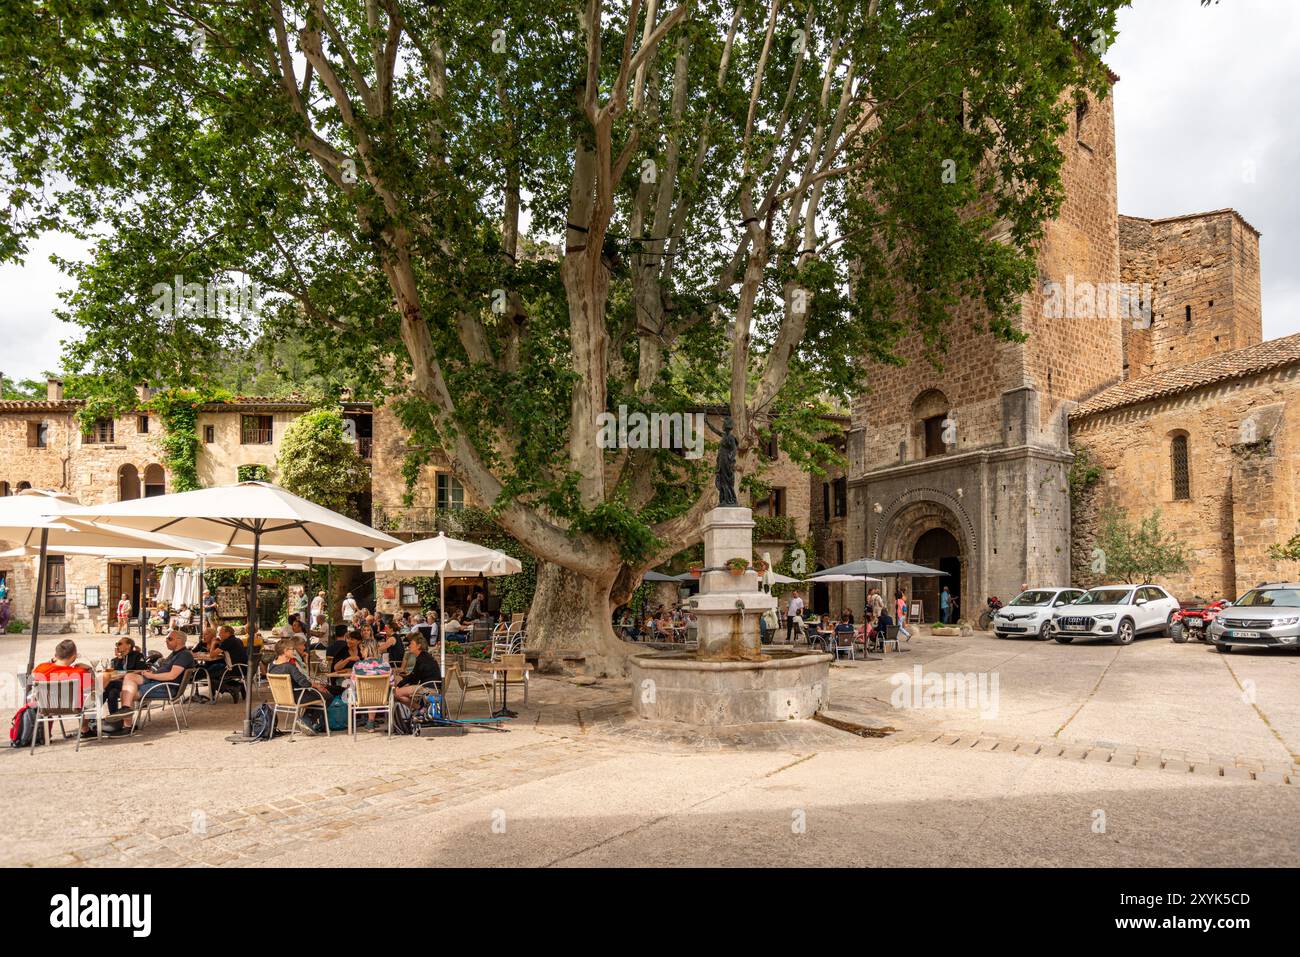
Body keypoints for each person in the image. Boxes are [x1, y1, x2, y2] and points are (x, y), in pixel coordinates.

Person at [116, 630, 196, 732]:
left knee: (126, 693)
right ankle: (126, 710)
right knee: (129, 677)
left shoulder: (184, 655)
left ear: (179, 640)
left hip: (166, 687)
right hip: (157, 682)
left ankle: (127, 725)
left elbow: (172, 676)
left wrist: (151, 676)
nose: (166, 641)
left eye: (169, 639)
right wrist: (151, 673)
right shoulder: (175, 654)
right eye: (166, 638)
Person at [30, 639, 95, 735]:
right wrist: (89, 669)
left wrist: (52, 661)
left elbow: (32, 674)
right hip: (74, 708)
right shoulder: (79, 672)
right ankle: (84, 728)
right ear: (74, 656)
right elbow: (94, 687)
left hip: (47, 708)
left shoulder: (41, 668)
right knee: (92, 697)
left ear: (56, 655)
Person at [267, 637, 331, 735]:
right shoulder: (289, 666)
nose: (294, 651)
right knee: (327, 696)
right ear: (285, 651)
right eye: (292, 649)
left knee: (316, 695)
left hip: (281, 698)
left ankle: (307, 720)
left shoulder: (271, 666)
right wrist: (317, 686)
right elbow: (304, 682)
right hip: (296, 697)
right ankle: (307, 719)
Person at [394, 633, 441, 708]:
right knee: (399, 692)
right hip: (432, 686)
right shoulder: (424, 656)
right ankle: (419, 708)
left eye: (412, 644)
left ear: (419, 646)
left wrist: (399, 685)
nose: (409, 645)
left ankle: (420, 709)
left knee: (395, 693)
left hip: (429, 688)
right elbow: (414, 677)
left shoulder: (422, 659)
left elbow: (413, 677)